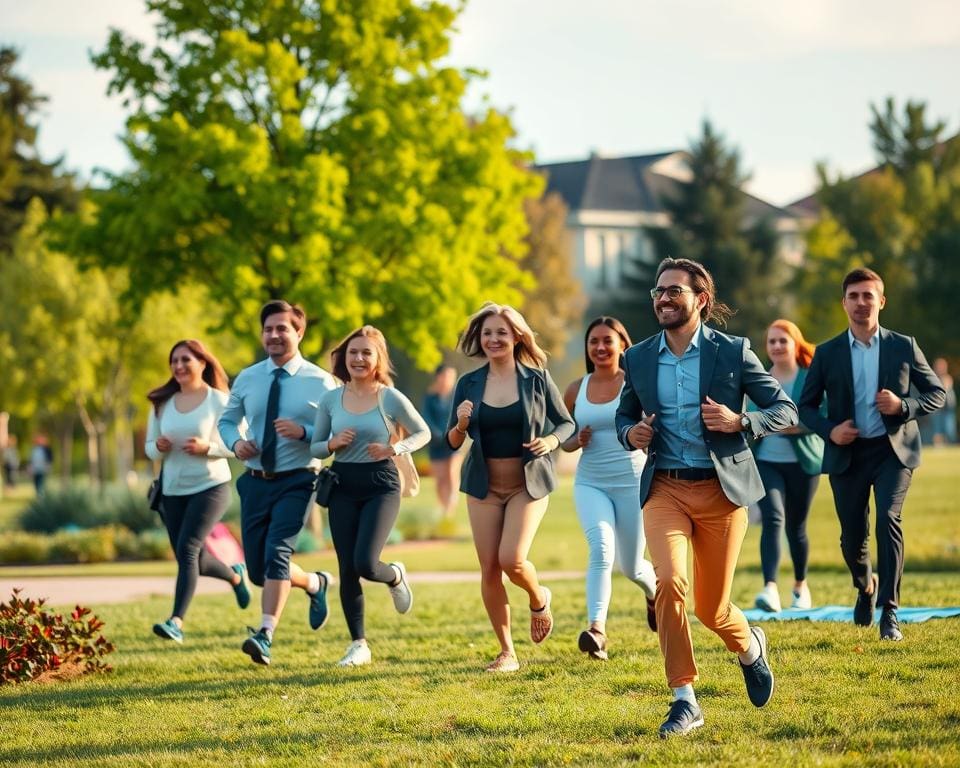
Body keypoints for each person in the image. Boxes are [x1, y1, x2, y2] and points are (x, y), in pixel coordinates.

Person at [615, 258, 798, 738]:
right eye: (658, 291)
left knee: (712, 609)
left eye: (675, 291)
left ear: (701, 300)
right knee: (670, 584)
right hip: (665, 489)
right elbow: (623, 415)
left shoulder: (733, 352)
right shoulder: (637, 357)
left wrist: (742, 422)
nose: (664, 298)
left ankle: (750, 648)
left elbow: (783, 407)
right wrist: (629, 432)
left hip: (722, 491)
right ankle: (684, 700)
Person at [798, 268, 946, 642]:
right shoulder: (828, 352)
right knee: (852, 538)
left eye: (868, 296)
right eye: (854, 296)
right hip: (847, 453)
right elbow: (806, 407)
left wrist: (903, 405)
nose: (861, 303)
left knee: (888, 521)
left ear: (881, 301)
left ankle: (889, 611)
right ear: (844, 302)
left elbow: (936, 394)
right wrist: (831, 429)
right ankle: (865, 587)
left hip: (892, 451)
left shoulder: (903, 345)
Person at [445, 302, 575, 673]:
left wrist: (550, 442)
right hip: (483, 484)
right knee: (489, 568)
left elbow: (565, 424)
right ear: (479, 338)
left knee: (512, 559)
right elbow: (453, 441)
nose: (494, 339)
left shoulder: (537, 378)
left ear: (517, 335)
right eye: (487, 333)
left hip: (527, 482)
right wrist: (461, 423)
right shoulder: (468, 383)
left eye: (502, 332)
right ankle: (507, 652)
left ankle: (538, 597)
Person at [219, 300, 338, 666]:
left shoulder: (321, 382)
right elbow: (227, 421)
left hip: (299, 479)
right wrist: (237, 443)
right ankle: (316, 583)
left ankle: (265, 634)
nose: (274, 335)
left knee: (278, 554)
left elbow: (332, 435)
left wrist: (303, 432)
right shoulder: (248, 378)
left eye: (282, 328)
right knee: (259, 570)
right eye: (268, 329)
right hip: (255, 481)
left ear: (299, 333)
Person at [311, 325, 430, 667]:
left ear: (378, 359)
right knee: (347, 568)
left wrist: (395, 447)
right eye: (353, 352)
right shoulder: (331, 399)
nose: (359, 358)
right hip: (342, 483)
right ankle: (358, 644)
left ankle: (394, 575)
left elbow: (422, 432)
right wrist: (332, 444)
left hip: (381, 483)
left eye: (366, 353)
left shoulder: (388, 396)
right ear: (343, 358)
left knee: (365, 562)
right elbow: (316, 447)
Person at [561, 316, 656, 661]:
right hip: (590, 482)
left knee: (632, 567)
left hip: (632, 480)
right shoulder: (576, 389)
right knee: (601, 549)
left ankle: (653, 592)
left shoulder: (636, 383)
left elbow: (654, 426)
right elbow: (564, 442)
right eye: (593, 342)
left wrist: (645, 428)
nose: (600, 347)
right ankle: (597, 631)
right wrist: (576, 439)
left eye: (607, 341)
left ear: (621, 345)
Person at [145, 340, 250, 643]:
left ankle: (176, 621)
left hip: (210, 488)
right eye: (174, 361)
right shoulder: (161, 404)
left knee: (189, 550)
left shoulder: (220, 401)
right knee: (188, 555)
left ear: (202, 363)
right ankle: (234, 575)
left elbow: (238, 446)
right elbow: (150, 449)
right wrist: (158, 447)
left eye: (185, 360)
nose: (178, 366)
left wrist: (210, 448)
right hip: (172, 490)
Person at [749, 320, 825, 614]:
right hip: (766, 461)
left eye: (783, 341)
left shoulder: (809, 378)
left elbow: (823, 414)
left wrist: (793, 426)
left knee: (797, 526)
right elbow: (751, 419)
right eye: (772, 342)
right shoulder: (759, 379)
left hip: (804, 463)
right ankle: (769, 588)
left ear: (796, 344)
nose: (777, 346)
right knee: (773, 518)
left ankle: (800, 586)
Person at [422, 364, 463, 525]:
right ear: (438, 377)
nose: (449, 380)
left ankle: (449, 512)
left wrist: (452, 434)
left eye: (452, 377)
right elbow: (426, 418)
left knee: (452, 476)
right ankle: (442, 507)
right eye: (446, 376)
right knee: (440, 480)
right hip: (436, 444)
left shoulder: (457, 397)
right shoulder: (430, 398)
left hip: (454, 443)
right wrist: (438, 434)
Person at [930, 358, 956, 445]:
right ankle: (939, 447)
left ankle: (949, 445)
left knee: (949, 431)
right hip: (937, 410)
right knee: (937, 430)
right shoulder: (933, 378)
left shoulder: (947, 378)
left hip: (947, 410)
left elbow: (946, 389)